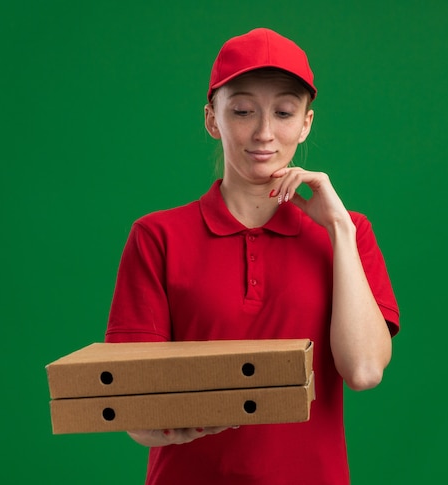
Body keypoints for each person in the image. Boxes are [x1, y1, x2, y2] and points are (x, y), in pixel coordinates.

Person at [105, 27, 400, 485]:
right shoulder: (156, 236)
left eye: (284, 112)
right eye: (242, 110)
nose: (264, 133)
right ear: (212, 119)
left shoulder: (351, 232)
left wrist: (339, 228)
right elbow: (132, 409)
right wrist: (175, 423)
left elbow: (362, 371)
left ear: (306, 123)